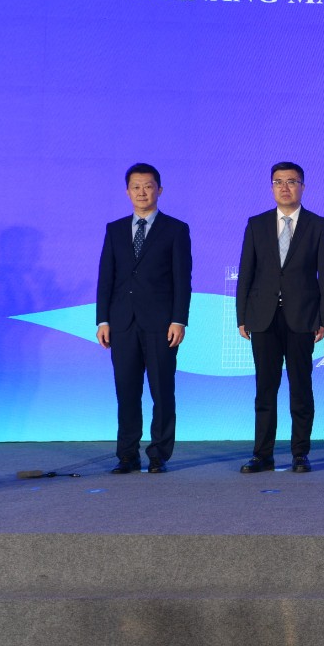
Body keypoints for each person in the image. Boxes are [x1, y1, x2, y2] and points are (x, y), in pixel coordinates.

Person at [236, 162, 324, 474]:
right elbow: (246, 273)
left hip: (302, 318)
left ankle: (300, 453)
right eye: (278, 182)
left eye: (291, 182)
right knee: (265, 389)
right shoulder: (256, 224)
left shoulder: (318, 225)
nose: (284, 187)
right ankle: (262, 455)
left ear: (302, 187)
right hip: (262, 318)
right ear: (271, 187)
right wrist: (242, 316)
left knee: (300, 388)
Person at [95, 163, 191, 474]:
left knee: (162, 391)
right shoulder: (114, 229)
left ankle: (158, 454)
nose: (142, 192)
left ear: (159, 190)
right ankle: (127, 455)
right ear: (127, 192)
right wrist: (102, 320)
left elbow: (182, 279)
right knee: (126, 392)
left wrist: (179, 320)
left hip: (161, 324)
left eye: (148, 186)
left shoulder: (176, 229)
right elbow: (106, 278)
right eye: (136, 187)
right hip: (122, 324)